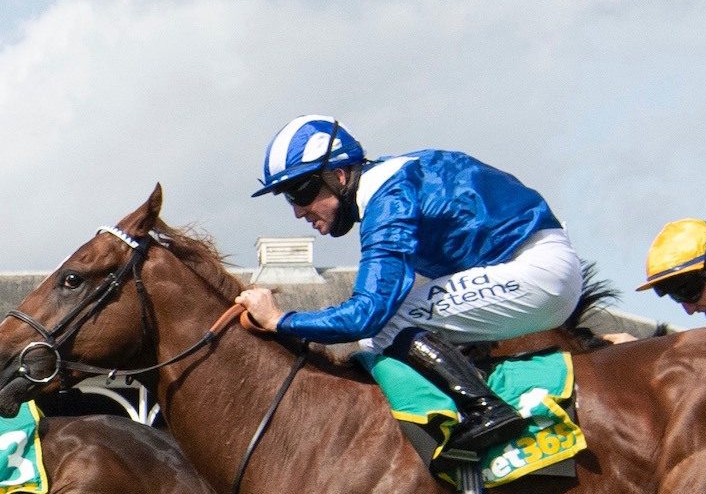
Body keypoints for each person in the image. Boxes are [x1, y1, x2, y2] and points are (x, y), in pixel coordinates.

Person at [236, 116, 585, 456]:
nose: (299, 211)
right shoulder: (394, 181)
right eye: (288, 197)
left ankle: (486, 408)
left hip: (537, 270)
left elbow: (366, 314)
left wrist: (280, 320)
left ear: (340, 175)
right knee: (391, 330)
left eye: (302, 191)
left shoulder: (389, 199)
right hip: (533, 265)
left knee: (385, 328)